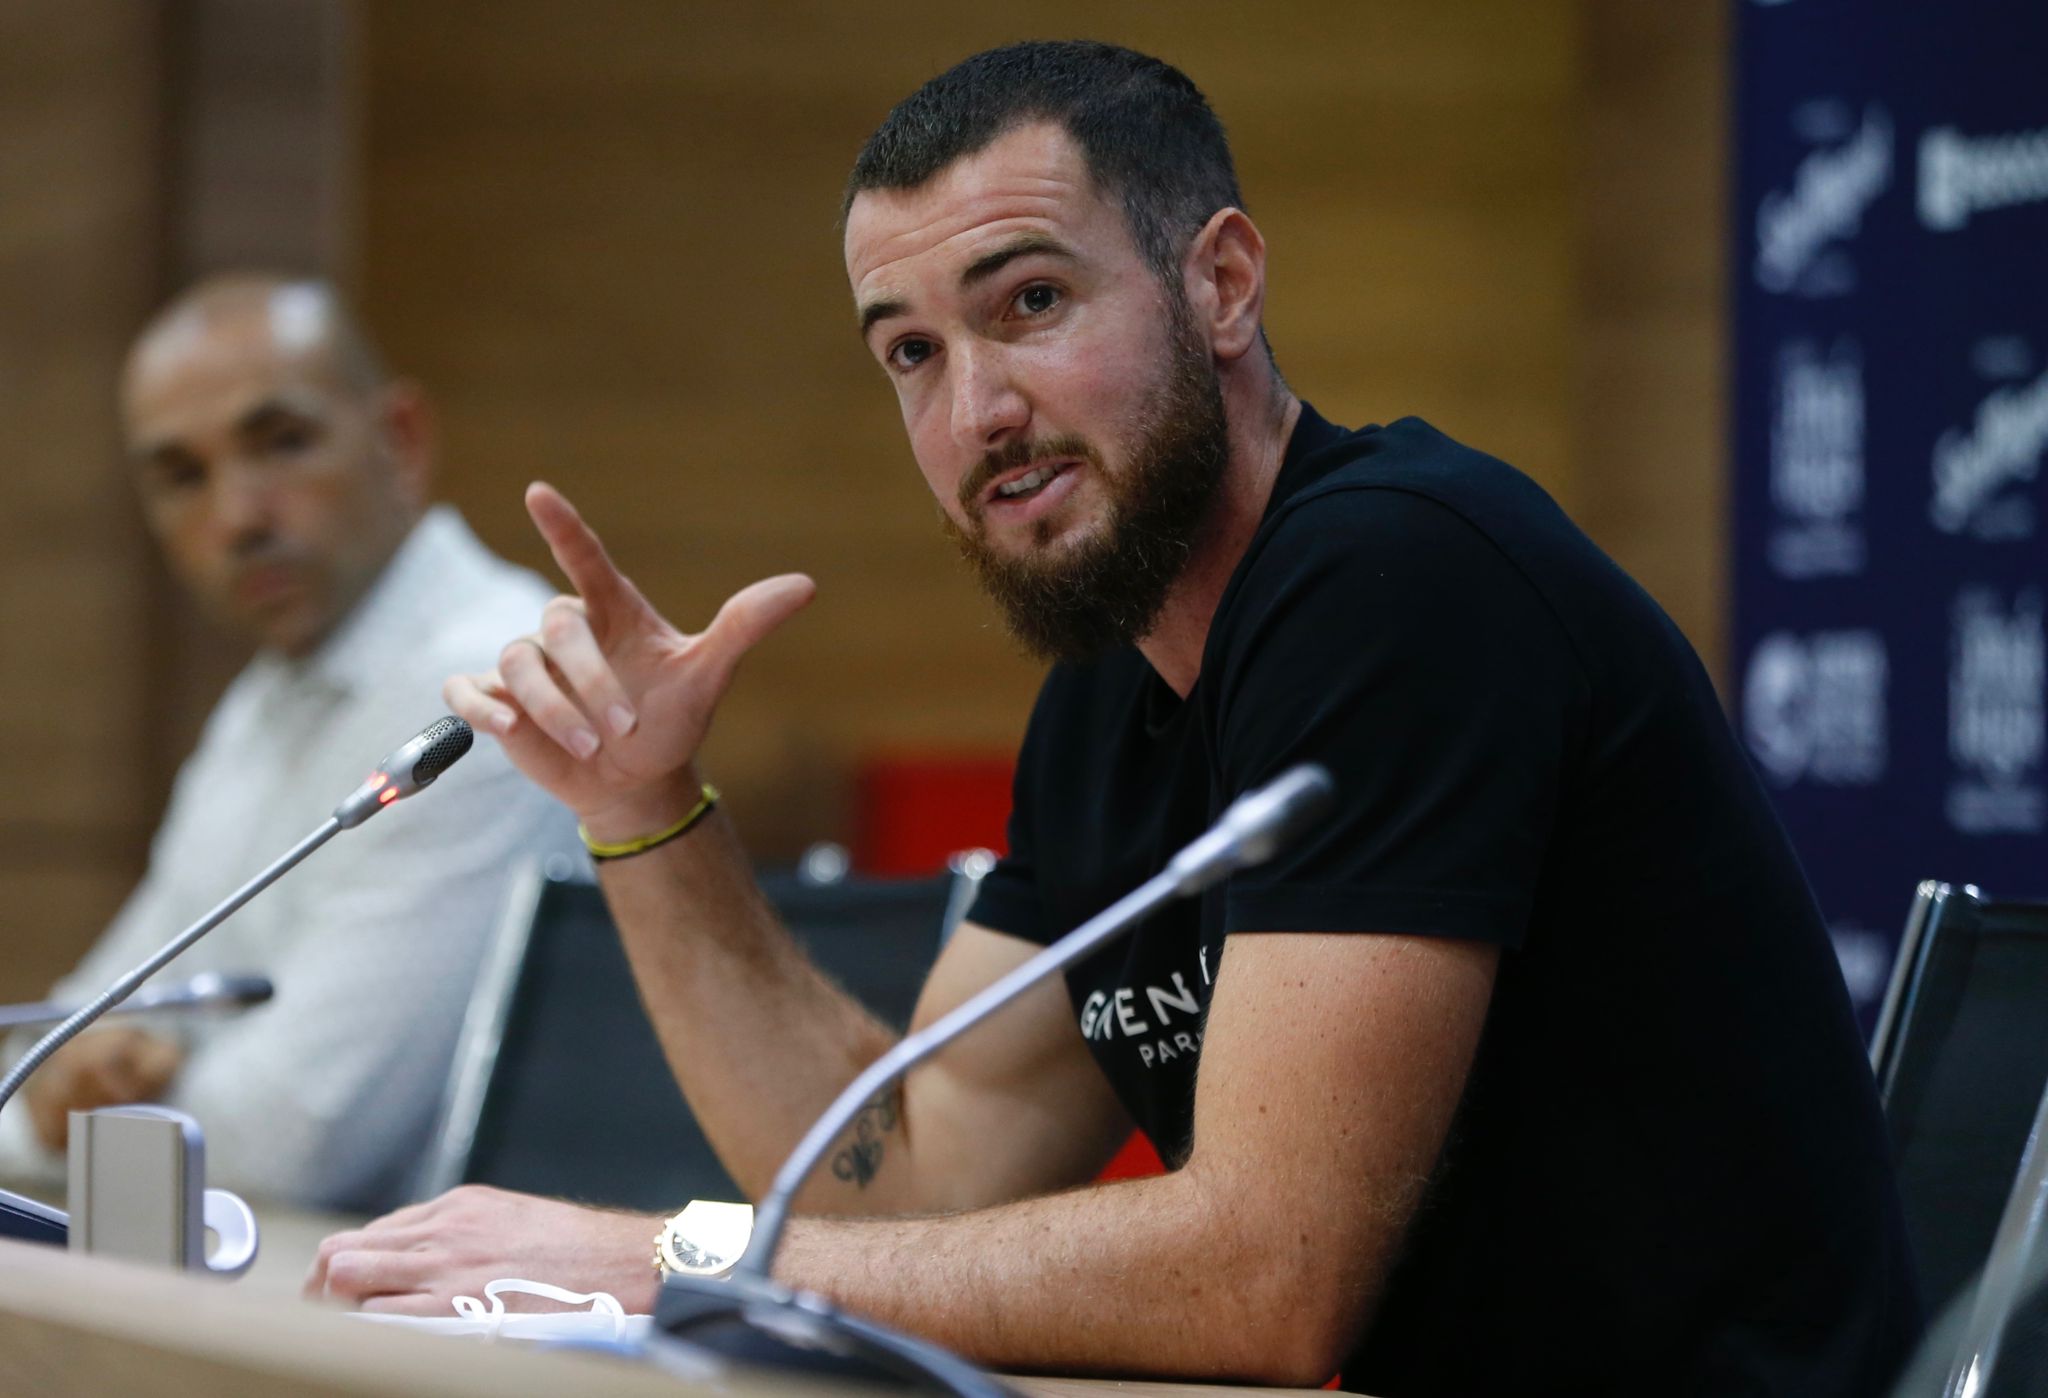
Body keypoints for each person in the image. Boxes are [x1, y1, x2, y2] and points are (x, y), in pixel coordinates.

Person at [308, 42, 1920, 1394]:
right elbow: (920, 1169)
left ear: (1221, 281)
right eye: (913, 354)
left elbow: (1265, 1281)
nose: (975, 411)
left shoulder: (1399, 584)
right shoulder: (1115, 691)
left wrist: (660, 1257)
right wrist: (645, 812)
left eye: (1027, 303)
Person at [0, 275, 577, 1213]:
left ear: (402, 442)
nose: (239, 517)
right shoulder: (266, 699)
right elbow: (79, 1024)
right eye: (183, 476)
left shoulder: (485, 691)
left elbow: (295, 1144)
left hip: (472, 1322)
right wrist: (58, 1096)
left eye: (282, 444)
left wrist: (60, 1123)